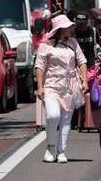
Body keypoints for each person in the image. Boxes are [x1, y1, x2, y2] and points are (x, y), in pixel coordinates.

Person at [35, 14, 89, 163]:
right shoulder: (45, 45)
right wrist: (39, 87)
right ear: (60, 29)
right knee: (53, 115)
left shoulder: (73, 43)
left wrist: (84, 80)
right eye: (67, 27)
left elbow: (82, 62)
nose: (71, 29)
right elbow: (39, 66)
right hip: (51, 85)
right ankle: (50, 147)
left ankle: (61, 151)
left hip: (70, 86)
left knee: (66, 120)